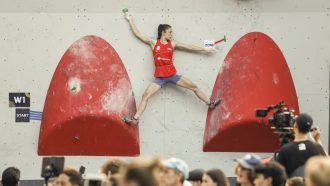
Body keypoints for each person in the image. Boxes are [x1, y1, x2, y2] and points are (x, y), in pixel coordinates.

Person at [123, 12, 221, 124]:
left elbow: (189, 46)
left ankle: (210, 104)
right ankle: (135, 119)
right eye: (170, 32)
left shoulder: (173, 43)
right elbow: (137, 33)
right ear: (163, 32)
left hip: (173, 75)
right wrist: (131, 20)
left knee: (194, 87)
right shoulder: (153, 42)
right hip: (160, 78)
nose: (171, 34)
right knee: (145, 95)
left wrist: (207, 48)